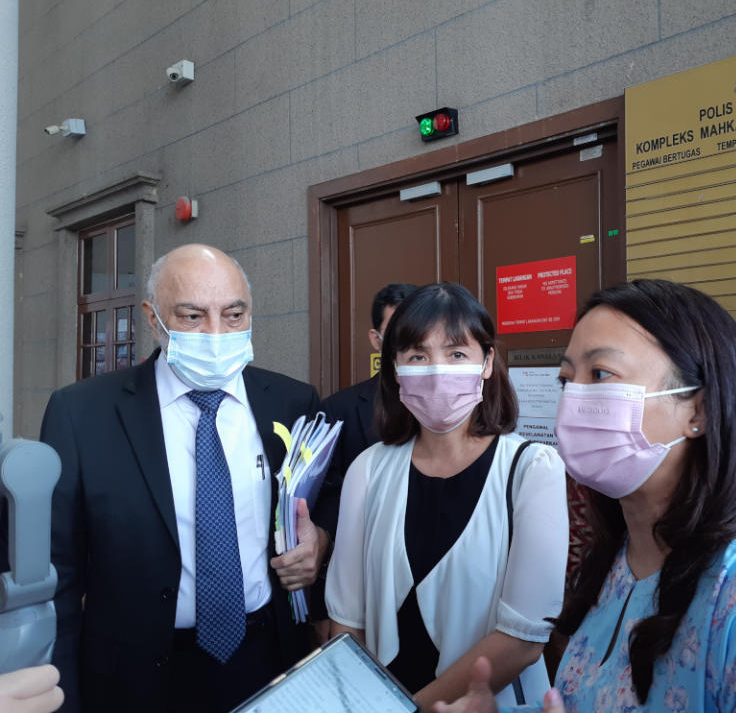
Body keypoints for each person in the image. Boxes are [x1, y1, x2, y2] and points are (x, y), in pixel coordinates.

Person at [436, 279, 736, 713]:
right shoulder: (621, 562)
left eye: (601, 374)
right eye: (567, 378)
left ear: (698, 410)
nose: (573, 399)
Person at [42, 244, 325, 713]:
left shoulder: (293, 403)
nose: (217, 333)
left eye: (234, 315)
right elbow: (58, 575)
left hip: (267, 660)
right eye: (193, 316)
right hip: (134, 677)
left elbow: (322, 499)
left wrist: (321, 540)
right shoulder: (82, 415)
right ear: (154, 320)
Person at [325, 282, 568, 710]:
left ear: (487, 362)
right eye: (418, 356)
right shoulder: (368, 469)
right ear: (395, 368)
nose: (437, 370)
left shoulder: (533, 469)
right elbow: (348, 620)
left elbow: (523, 639)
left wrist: (410, 709)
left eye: (456, 354)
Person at [310, 282, 417, 640]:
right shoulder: (337, 410)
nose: (407, 344)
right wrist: (324, 607)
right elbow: (324, 508)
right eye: (395, 334)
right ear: (376, 339)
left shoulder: (450, 410)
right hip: (359, 589)